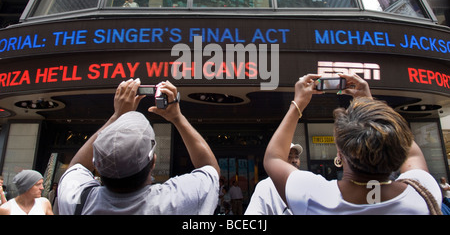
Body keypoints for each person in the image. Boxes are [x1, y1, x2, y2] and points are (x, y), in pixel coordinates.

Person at [264, 73, 442, 214]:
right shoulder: (423, 193)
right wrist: (369, 103)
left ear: (340, 153)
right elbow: (412, 153)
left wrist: (298, 103)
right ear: (398, 149)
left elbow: (273, 158)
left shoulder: (314, 197)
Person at [57, 79, 220, 215]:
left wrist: (116, 116)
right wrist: (177, 118)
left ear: (97, 165)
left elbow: (77, 166)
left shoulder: (78, 200)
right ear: (153, 162)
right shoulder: (177, 201)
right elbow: (210, 169)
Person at [245, 143, 303, 215]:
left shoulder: (305, 184)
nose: (294, 160)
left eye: (296, 157)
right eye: (289, 156)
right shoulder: (266, 186)